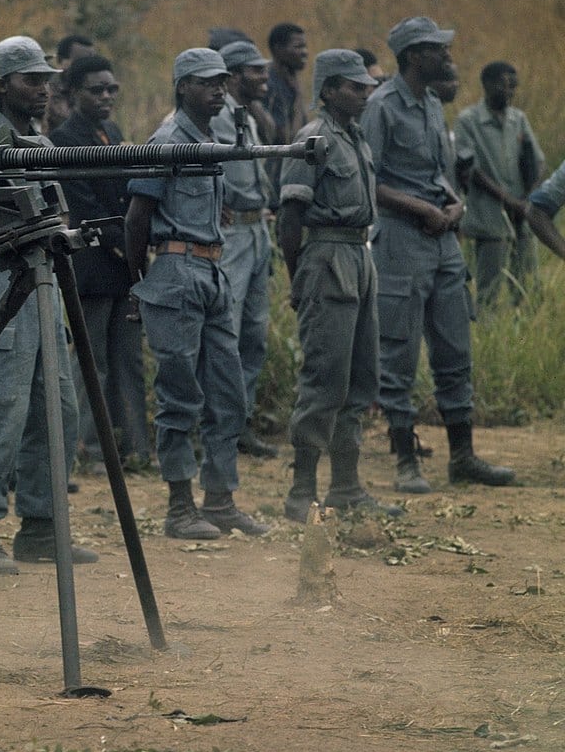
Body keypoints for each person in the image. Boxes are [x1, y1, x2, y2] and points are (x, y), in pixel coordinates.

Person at [0, 36, 96, 574]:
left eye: (46, 79)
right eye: (31, 80)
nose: (43, 89)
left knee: (57, 410)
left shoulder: (38, 137)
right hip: (3, 283)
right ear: (3, 82)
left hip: (47, 284)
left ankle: (40, 527)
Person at [360, 17, 514, 494]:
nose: (447, 56)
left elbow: (440, 172)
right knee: (398, 355)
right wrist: (423, 208)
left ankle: (462, 458)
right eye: (435, 49)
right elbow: (370, 181)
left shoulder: (430, 105)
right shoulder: (381, 107)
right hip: (401, 243)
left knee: (454, 350)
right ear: (412, 57)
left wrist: (453, 204)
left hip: (443, 242)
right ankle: (406, 460)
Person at [125, 48, 269, 540]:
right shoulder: (167, 140)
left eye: (222, 83)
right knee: (179, 395)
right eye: (208, 83)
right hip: (175, 271)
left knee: (228, 393)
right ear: (182, 86)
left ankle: (221, 499)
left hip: (211, 271)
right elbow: (137, 219)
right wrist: (137, 283)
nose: (219, 91)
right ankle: (180, 506)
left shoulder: (210, 139)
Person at [277, 50, 401, 522]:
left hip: (358, 256)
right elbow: (290, 216)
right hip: (326, 259)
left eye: (366, 85)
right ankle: (301, 492)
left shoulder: (356, 138)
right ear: (329, 90)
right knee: (324, 379)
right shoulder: (314, 138)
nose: (364, 92)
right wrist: (298, 280)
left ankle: (346, 488)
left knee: (361, 378)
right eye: (354, 86)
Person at [50, 54, 149, 473]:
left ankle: (136, 449)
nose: (106, 97)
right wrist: (129, 245)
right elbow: (84, 207)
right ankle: (88, 450)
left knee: (128, 361)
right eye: (96, 90)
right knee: (93, 364)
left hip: (123, 263)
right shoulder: (63, 141)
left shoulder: (110, 131)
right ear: (73, 95)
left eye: (112, 89)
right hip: (91, 265)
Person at [213, 39, 278, 459]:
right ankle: (221, 426)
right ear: (234, 76)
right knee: (228, 333)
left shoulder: (247, 116)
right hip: (233, 233)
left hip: (257, 232)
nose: (264, 79)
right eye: (256, 72)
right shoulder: (218, 117)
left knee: (254, 334)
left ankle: (240, 423)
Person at [456, 61, 545, 308]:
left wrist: (528, 197)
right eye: (503, 86)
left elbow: (537, 160)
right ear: (487, 85)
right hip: (490, 215)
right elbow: (472, 169)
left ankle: (526, 335)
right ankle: (487, 335)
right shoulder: (468, 120)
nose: (509, 92)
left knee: (528, 284)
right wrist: (508, 199)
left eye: (513, 87)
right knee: (489, 289)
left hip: (522, 214)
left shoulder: (519, 119)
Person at [263, 22, 309, 207]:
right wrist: (298, 96)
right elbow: (288, 140)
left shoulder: (287, 79)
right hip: (272, 182)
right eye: (298, 46)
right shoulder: (268, 85)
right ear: (278, 49)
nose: (305, 52)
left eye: (304, 46)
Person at [43, 33, 95, 135]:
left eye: (92, 61)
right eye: (80, 61)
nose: (87, 67)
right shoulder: (45, 92)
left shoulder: (94, 91)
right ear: (60, 60)